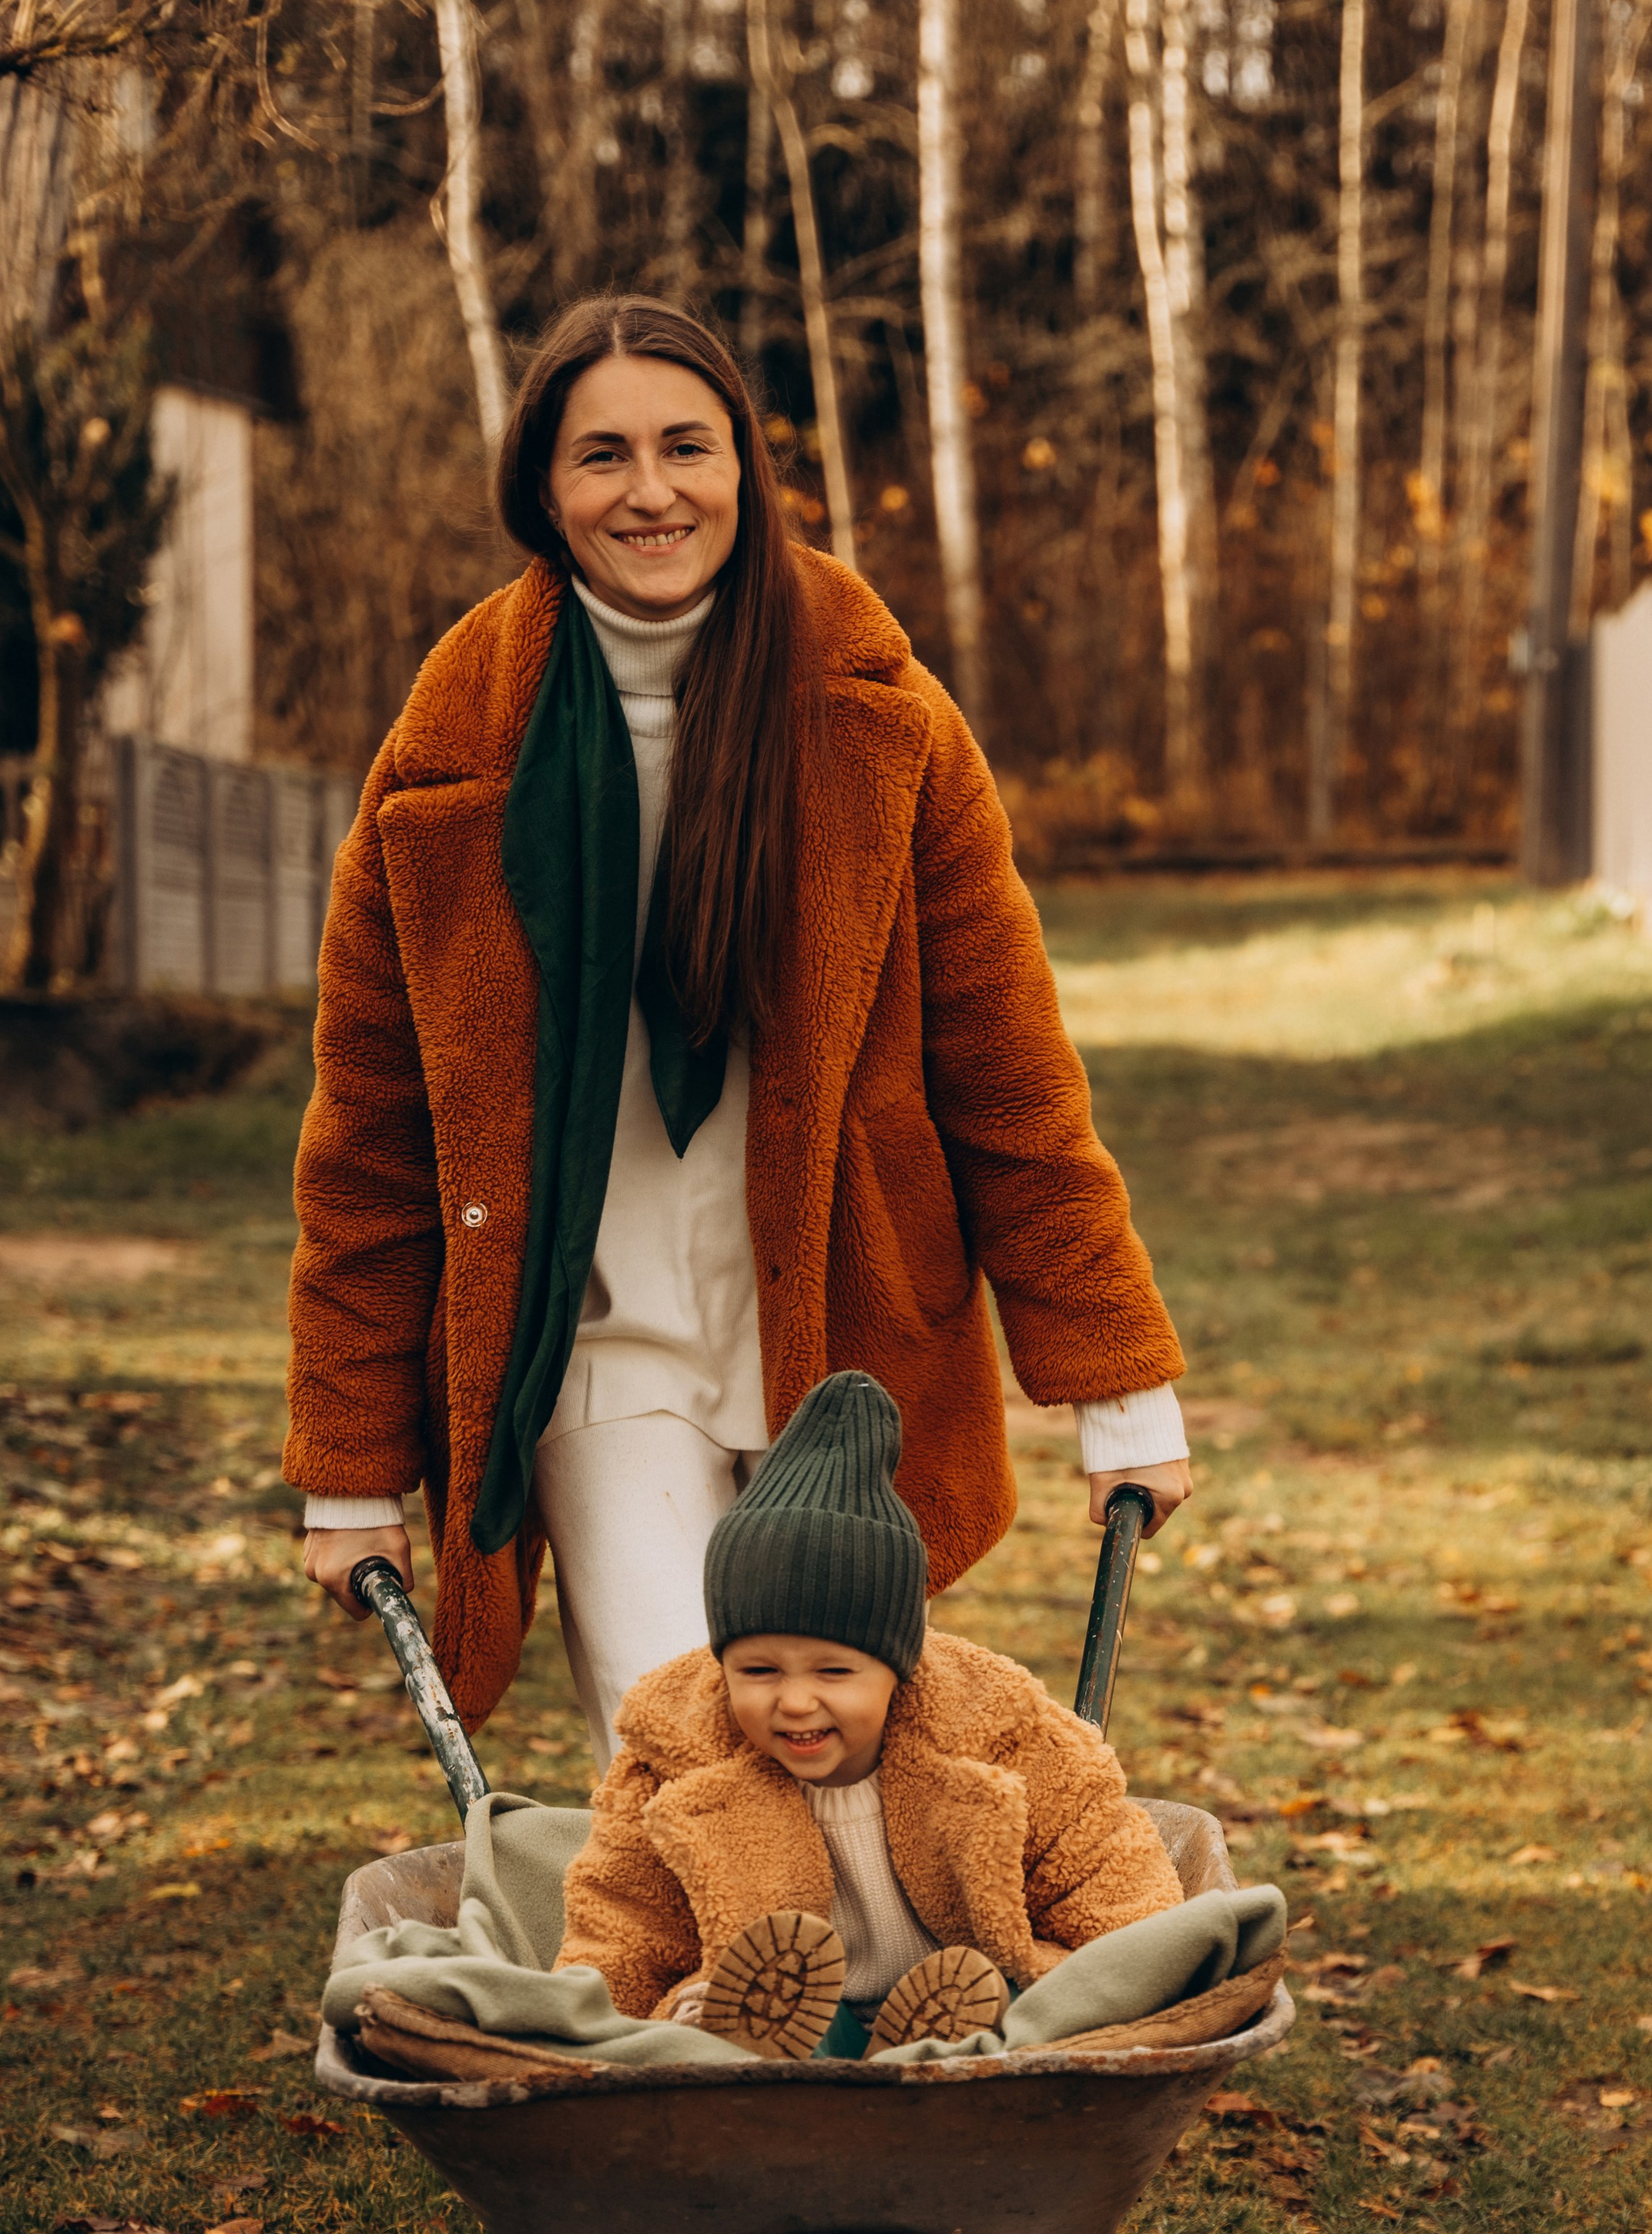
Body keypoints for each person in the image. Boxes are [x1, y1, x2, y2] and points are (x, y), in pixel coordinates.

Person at [286, 293, 1191, 1764]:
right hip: (593, 1346)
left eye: (685, 446)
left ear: (744, 471)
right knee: (696, 1763)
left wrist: (1119, 1384)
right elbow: (371, 1144)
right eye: (602, 456)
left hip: (840, 1333)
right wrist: (347, 1467)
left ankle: (847, 2001)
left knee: (849, 1759)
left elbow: (1010, 1077)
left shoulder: (881, 721)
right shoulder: (451, 760)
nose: (650, 491)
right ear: (543, 487)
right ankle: (713, 1998)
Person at [552, 1372, 1186, 2058]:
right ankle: (744, 2044)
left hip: (967, 1985)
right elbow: (624, 1920)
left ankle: (952, 2042)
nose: (794, 1701)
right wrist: (597, 2030)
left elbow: (1111, 1882)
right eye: (758, 1671)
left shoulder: (1011, 1744)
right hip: (797, 2009)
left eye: (834, 1671)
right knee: (753, 2013)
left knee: (1017, 1998)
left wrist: (1110, 1986)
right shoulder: (675, 1762)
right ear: (721, 1665)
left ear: (900, 1666)